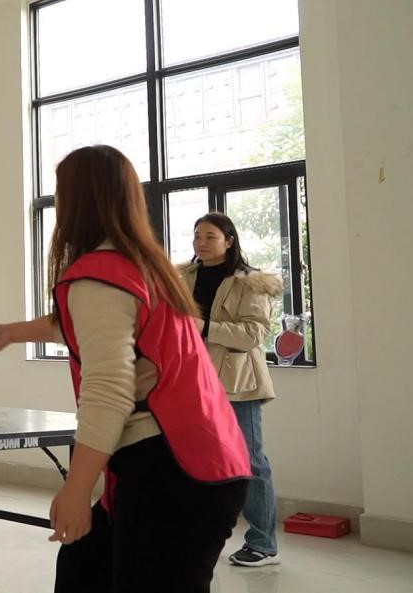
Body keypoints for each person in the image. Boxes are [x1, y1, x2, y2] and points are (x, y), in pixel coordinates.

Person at [0, 145, 250, 593]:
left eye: (61, 191)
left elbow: (108, 391)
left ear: (79, 200)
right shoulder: (142, 266)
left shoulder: (100, 276)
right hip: (200, 461)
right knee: (82, 569)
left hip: (173, 471)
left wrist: (77, 488)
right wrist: (11, 333)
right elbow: (94, 326)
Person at [181, 213, 282, 567]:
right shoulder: (182, 277)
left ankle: (263, 544)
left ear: (229, 240)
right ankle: (199, 532)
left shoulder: (250, 282)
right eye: (197, 235)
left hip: (238, 384)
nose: (201, 242)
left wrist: (205, 327)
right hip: (190, 381)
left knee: (250, 462)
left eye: (209, 236)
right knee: (196, 458)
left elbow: (254, 334)